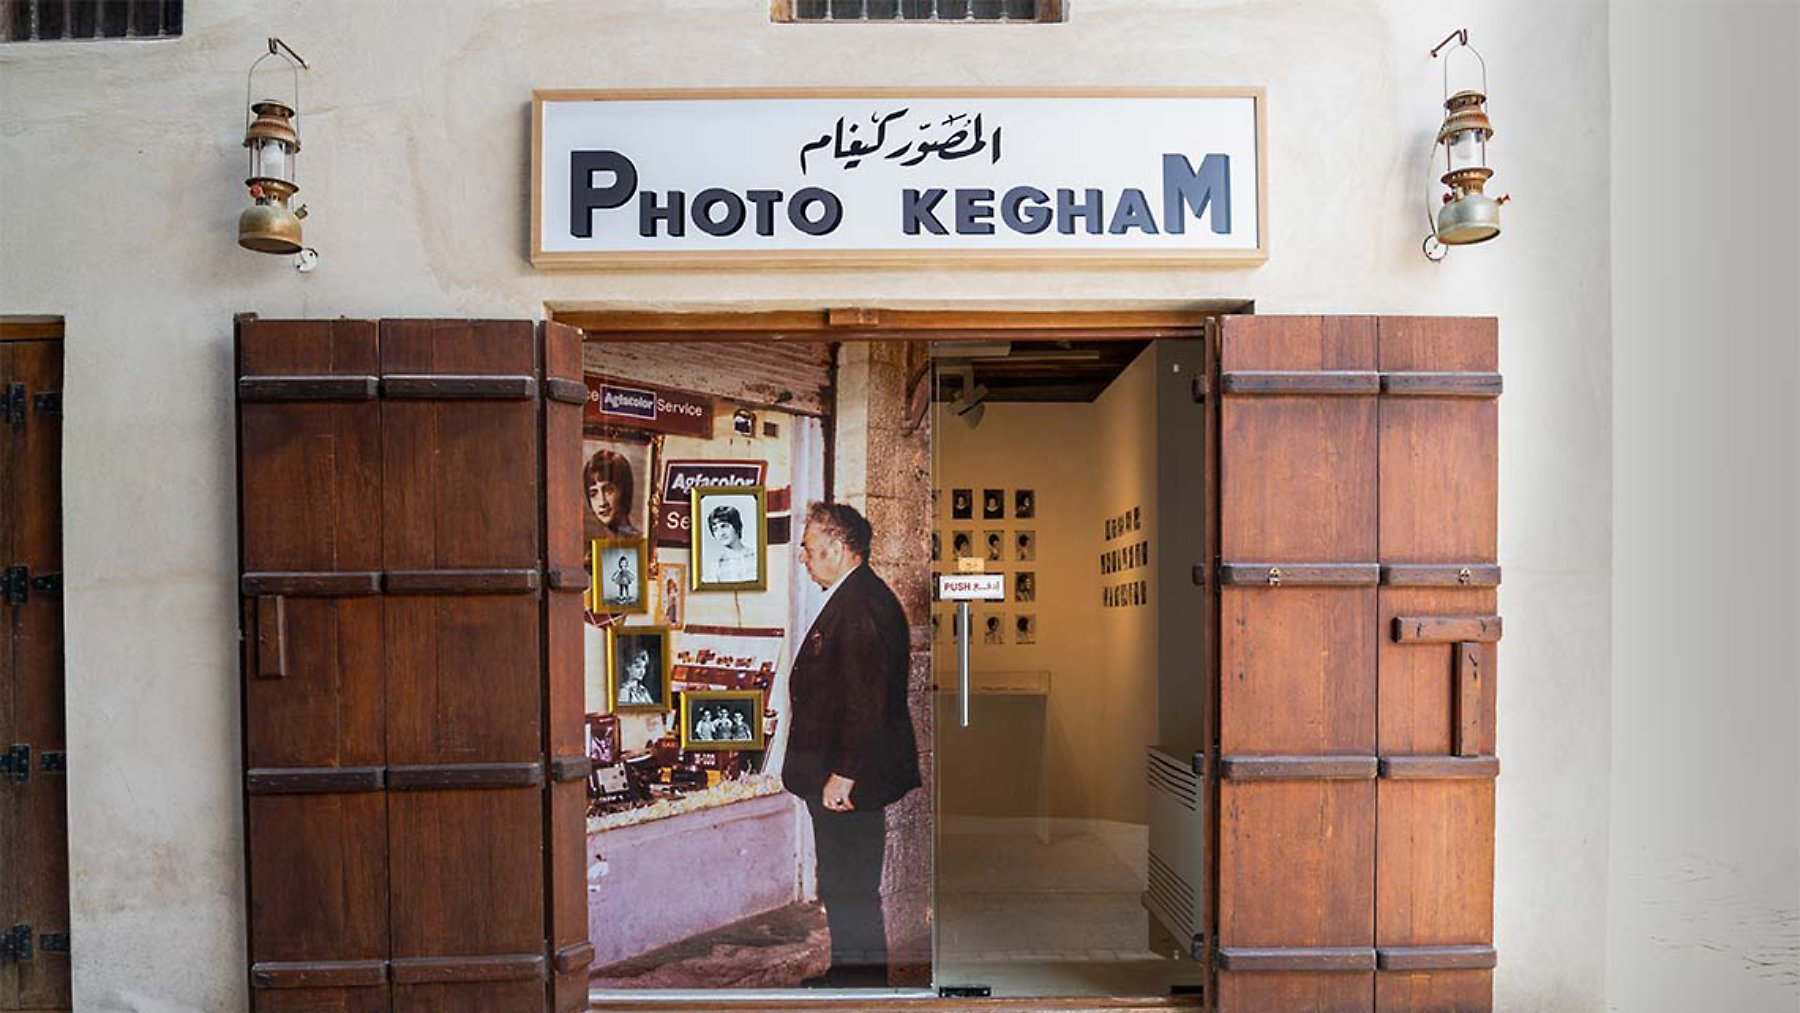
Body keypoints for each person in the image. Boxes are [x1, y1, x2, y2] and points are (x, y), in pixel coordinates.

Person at [781, 501, 920, 988]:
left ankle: (861, 983)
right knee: (843, 881)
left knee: (853, 883)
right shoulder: (855, 595)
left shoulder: (861, 604)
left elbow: (867, 702)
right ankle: (849, 973)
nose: (804, 556)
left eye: (809, 547)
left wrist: (844, 773)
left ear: (838, 547)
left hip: (847, 778)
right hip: (839, 773)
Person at [585, 448, 640, 539]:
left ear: (624, 491)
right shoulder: (591, 551)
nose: (602, 502)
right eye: (593, 494)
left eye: (608, 490)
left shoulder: (642, 542)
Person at [705, 503, 758, 584]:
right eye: (715, 529)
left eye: (724, 526)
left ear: (736, 526)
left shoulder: (756, 557)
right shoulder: (716, 566)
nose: (721, 533)